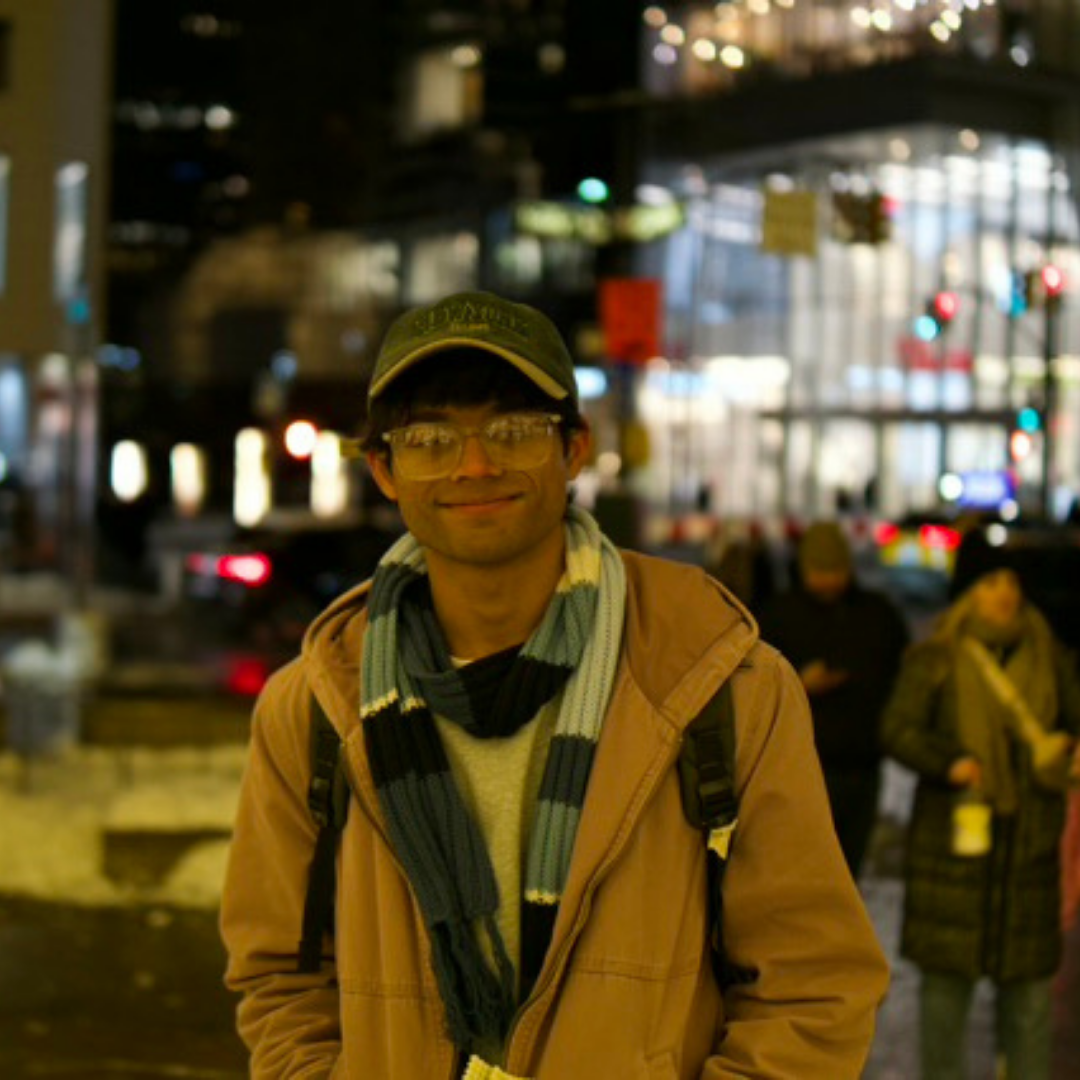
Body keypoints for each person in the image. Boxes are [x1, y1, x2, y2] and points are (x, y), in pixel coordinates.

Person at [220, 290, 889, 1078]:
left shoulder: (720, 685)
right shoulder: (316, 708)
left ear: (574, 450)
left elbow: (812, 986)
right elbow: (280, 975)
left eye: (513, 430)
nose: (475, 464)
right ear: (385, 470)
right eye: (431, 437)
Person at [880, 551, 1080, 1080]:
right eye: (991, 581)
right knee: (944, 997)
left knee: (1031, 1002)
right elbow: (897, 729)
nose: (1005, 591)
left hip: (1028, 850)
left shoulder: (1051, 658)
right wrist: (949, 763)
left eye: (1013, 580)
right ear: (970, 592)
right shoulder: (936, 659)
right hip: (954, 852)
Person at [758, 521, 909, 876]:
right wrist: (800, 684)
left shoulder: (876, 614)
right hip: (801, 767)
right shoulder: (779, 615)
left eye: (834, 570)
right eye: (819, 572)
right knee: (802, 873)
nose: (827, 581)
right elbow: (756, 685)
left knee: (847, 870)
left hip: (862, 764)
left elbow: (898, 672)